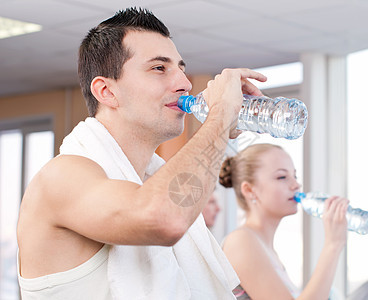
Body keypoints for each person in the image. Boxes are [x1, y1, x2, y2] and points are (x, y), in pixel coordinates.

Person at [16, 7, 267, 300]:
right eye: (159, 68)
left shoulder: (147, 182)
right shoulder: (61, 177)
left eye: (181, 68)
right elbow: (165, 219)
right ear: (107, 92)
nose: (184, 83)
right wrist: (220, 118)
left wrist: (222, 126)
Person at [220, 143, 349, 300]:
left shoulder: (268, 251)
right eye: (282, 177)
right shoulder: (241, 241)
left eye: (294, 176)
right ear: (249, 190)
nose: (296, 185)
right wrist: (333, 245)